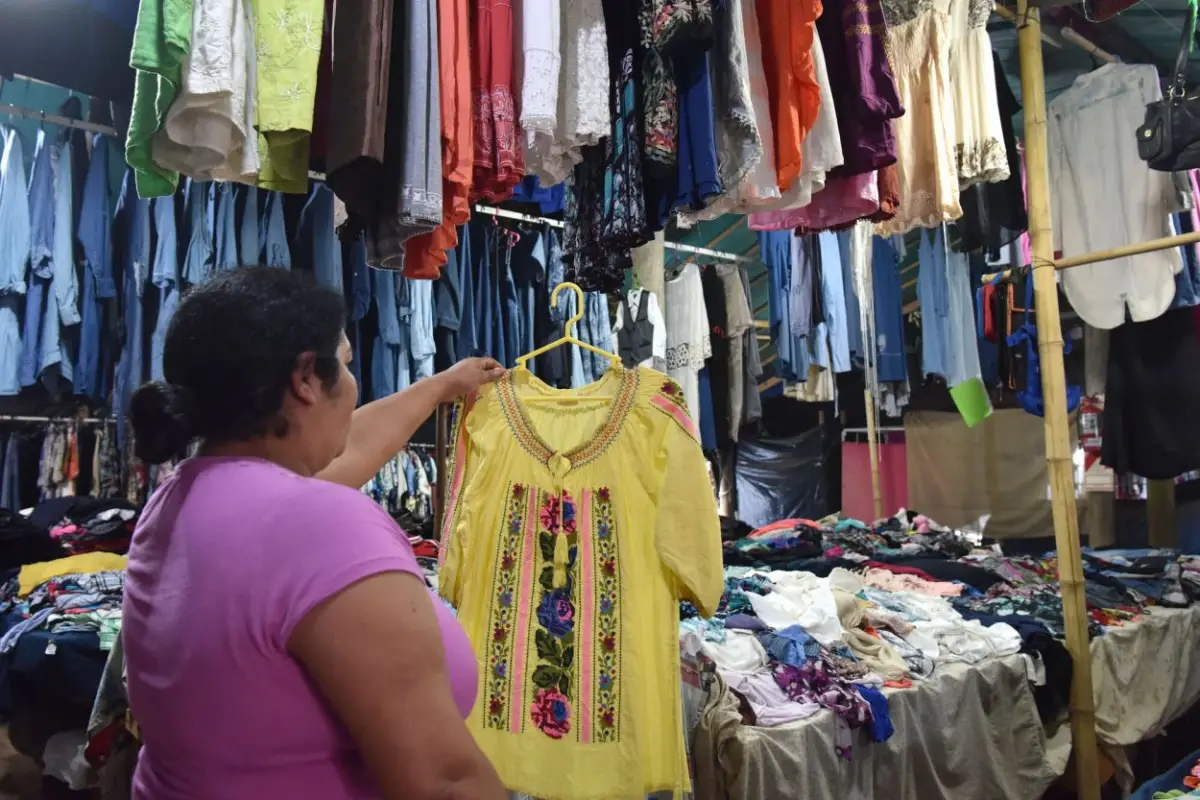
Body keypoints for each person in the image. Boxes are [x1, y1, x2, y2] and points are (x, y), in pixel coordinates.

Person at [122, 267, 508, 799]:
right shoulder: (319, 524)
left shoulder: (179, 500)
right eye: (347, 364)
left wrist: (443, 386)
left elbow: (351, 449)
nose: (353, 387)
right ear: (306, 378)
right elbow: (444, 782)